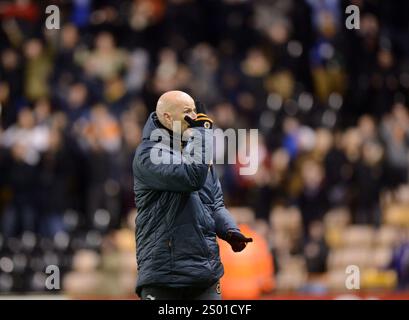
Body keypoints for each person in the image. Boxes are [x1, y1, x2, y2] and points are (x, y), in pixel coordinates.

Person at [132, 90, 253, 300]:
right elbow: (192, 177)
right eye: (187, 112)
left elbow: (214, 203)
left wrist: (230, 230)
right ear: (167, 117)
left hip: (205, 273)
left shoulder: (196, 152)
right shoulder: (149, 153)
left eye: (195, 111)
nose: (195, 118)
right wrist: (204, 133)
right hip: (164, 274)